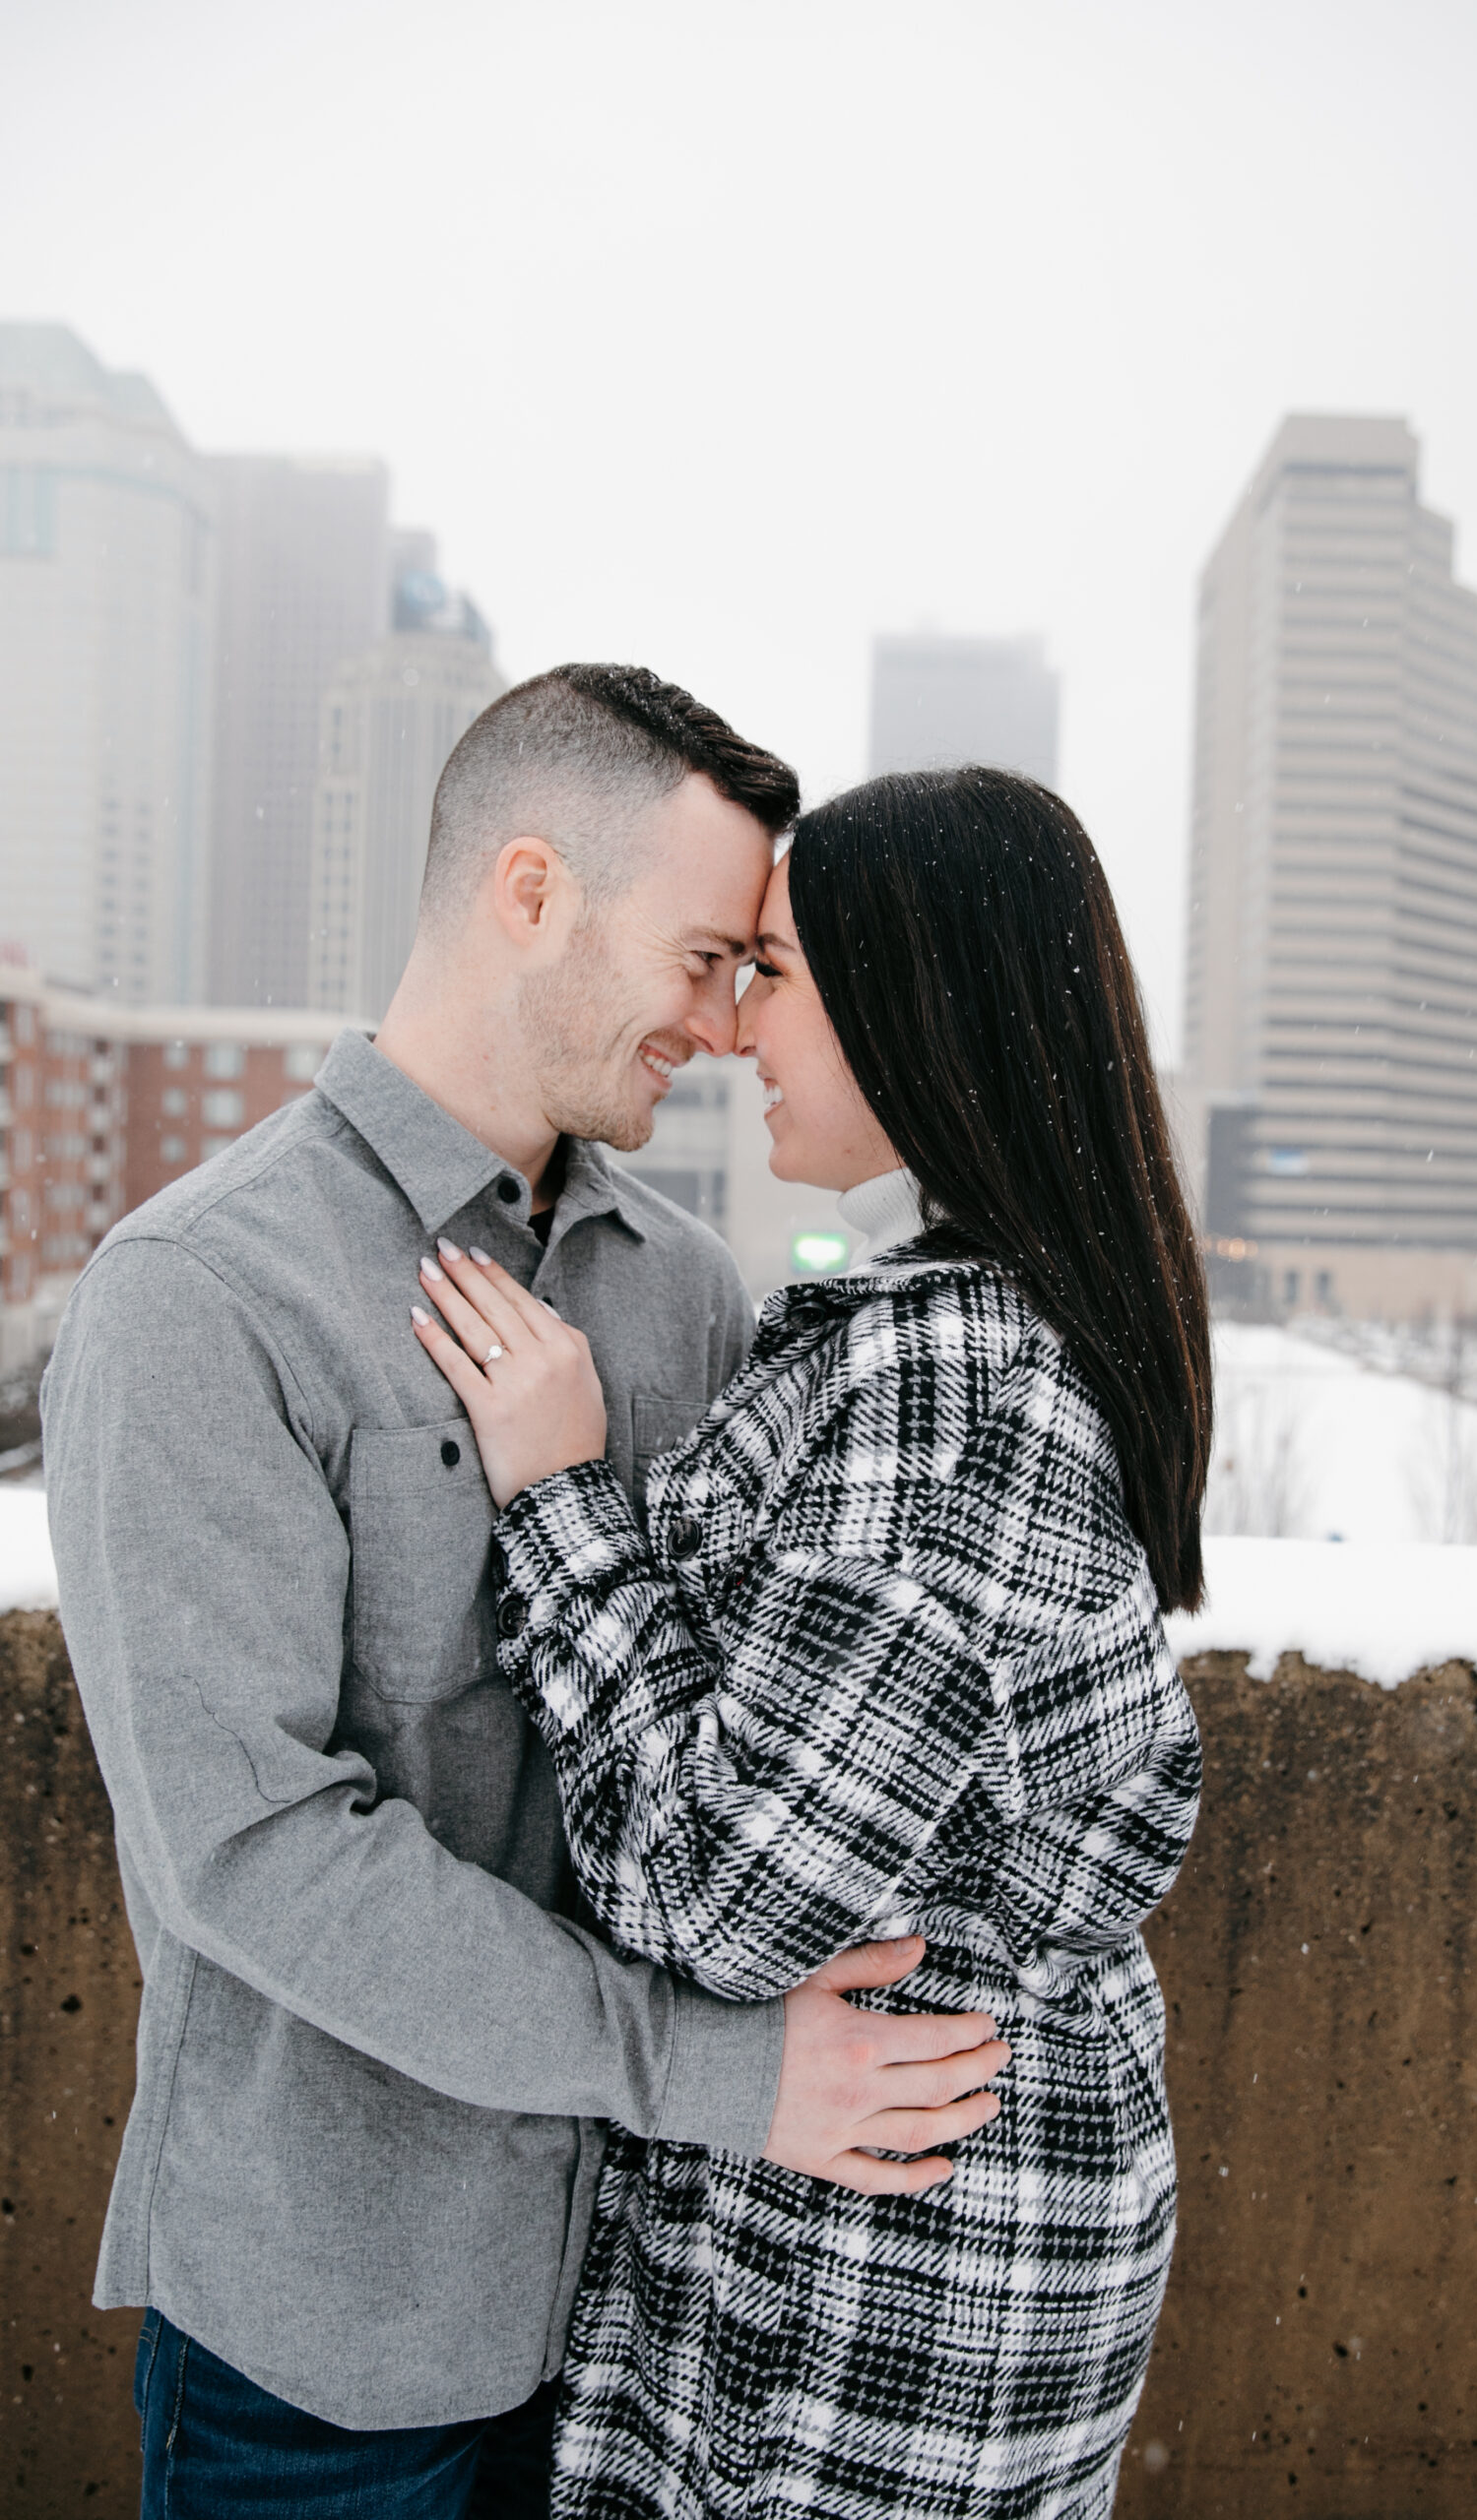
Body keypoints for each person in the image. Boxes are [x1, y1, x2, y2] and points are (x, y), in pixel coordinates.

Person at [40, 671, 1010, 2520]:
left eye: (753, 974)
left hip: (654, 2332)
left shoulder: (694, 1297)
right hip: (339, 2352)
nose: (729, 1024)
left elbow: (740, 1748)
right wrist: (706, 2069)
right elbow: (250, 1850)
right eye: (706, 956)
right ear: (533, 890)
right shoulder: (198, 1298)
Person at [412, 766, 1212, 2520]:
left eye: (769, 971)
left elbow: (726, 1893)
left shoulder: (947, 1386)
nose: (724, 1024)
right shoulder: (1014, 1325)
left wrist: (554, 1496)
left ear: (913, 1002)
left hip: (875, 2283)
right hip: (940, 2224)